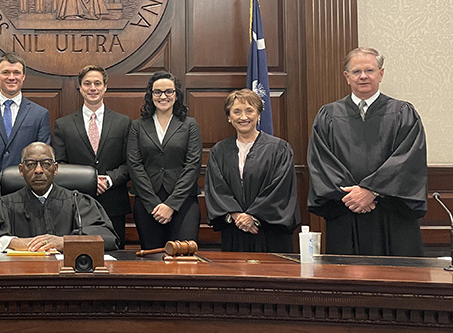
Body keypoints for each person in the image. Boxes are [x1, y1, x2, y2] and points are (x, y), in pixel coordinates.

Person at [308, 47, 427, 256]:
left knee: (396, 281)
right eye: (356, 71)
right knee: (347, 283)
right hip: (346, 210)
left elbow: (408, 160)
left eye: (369, 70)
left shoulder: (403, 113)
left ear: (381, 74)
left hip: (392, 214)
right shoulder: (328, 115)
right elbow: (321, 161)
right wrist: (353, 196)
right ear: (347, 76)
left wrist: (371, 191)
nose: (363, 76)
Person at [0, 142, 119, 252]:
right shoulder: (3, 205)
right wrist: (13, 242)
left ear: (55, 169)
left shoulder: (78, 202)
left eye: (46, 164)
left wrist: (64, 242)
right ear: (21, 170)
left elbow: (107, 237)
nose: (39, 170)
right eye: (31, 164)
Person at [205, 89, 299, 252]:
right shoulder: (219, 151)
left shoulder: (279, 149)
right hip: (235, 230)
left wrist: (253, 217)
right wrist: (236, 215)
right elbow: (217, 189)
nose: (243, 117)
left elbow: (280, 189)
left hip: (269, 231)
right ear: (229, 117)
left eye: (249, 110)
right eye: (236, 111)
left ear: (259, 114)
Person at [53, 65, 131, 248]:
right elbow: (60, 166)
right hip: (76, 204)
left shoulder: (123, 122)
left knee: (114, 258)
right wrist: (87, 182)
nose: (92, 88)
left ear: (105, 87)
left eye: (97, 83)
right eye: (87, 83)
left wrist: (109, 180)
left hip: (114, 203)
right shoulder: (63, 125)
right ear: (80, 87)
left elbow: (131, 163)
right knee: (76, 255)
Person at [0, 52, 50, 218]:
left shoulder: (39, 114)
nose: (11, 77)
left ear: (24, 77)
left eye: (16, 73)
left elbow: (42, 160)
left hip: (27, 200)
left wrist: (13, 187)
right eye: (6, 72)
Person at [127, 71, 202, 250]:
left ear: (176, 95)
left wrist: (171, 205)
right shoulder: (138, 126)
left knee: (184, 259)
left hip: (183, 203)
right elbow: (134, 165)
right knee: (152, 259)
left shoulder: (189, 125)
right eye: (157, 92)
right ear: (150, 95)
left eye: (169, 91)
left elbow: (193, 166)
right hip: (148, 204)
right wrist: (154, 204)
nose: (163, 96)